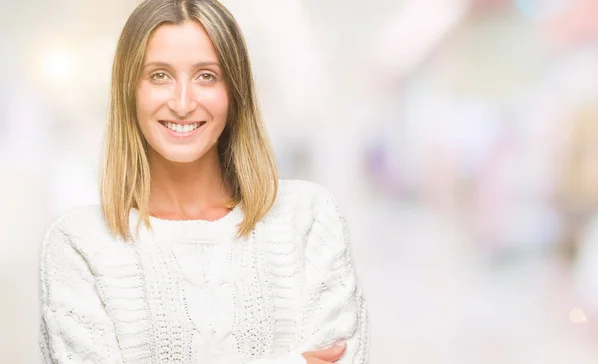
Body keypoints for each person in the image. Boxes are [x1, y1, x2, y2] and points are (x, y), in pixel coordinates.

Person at [38, 0, 369, 363]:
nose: (182, 103)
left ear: (234, 92)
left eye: (206, 76)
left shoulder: (308, 219)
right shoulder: (77, 245)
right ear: (129, 91)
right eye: (159, 75)